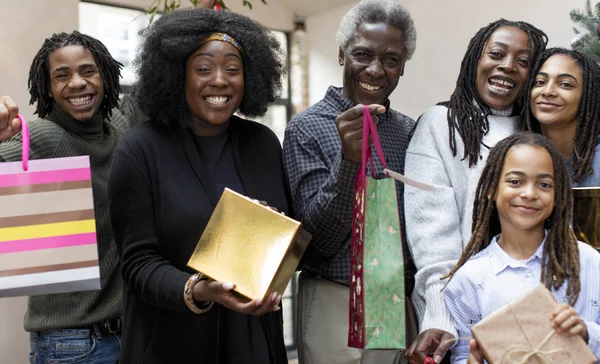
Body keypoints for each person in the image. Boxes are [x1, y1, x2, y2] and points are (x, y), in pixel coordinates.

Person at [107, 8, 289, 363]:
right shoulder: (140, 148)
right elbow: (137, 263)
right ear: (177, 75)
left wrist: (268, 235)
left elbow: (287, 240)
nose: (220, 80)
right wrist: (199, 289)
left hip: (253, 342)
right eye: (203, 69)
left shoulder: (263, 143)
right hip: (170, 343)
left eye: (232, 69)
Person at [403, 19, 548, 364]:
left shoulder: (538, 130)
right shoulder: (441, 125)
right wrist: (440, 314)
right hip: (467, 316)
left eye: (523, 61)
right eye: (496, 54)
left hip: (540, 314)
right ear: (474, 60)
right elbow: (431, 235)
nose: (507, 66)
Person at [283, 0, 418, 362]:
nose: (376, 70)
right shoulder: (307, 128)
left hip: (395, 297)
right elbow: (317, 241)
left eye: (391, 59)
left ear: (402, 66)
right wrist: (349, 162)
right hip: (335, 297)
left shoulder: (408, 132)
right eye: (363, 54)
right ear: (342, 55)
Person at [0, 31, 128, 363]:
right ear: (46, 88)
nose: (77, 83)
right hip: (71, 343)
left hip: (125, 334)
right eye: (62, 75)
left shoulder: (118, 128)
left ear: (106, 76)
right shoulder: (45, 136)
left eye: (88, 71)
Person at [442, 132, 600, 363]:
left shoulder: (590, 262)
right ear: (491, 189)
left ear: (558, 196)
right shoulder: (468, 279)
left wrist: (587, 333)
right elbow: (462, 355)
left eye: (544, 184)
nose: (529, 194)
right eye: (515, 181)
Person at [523, 47, 600, 186]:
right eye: (540, 82)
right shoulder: (518, 156)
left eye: (565, 84)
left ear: (588, 96)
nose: (547, 91)